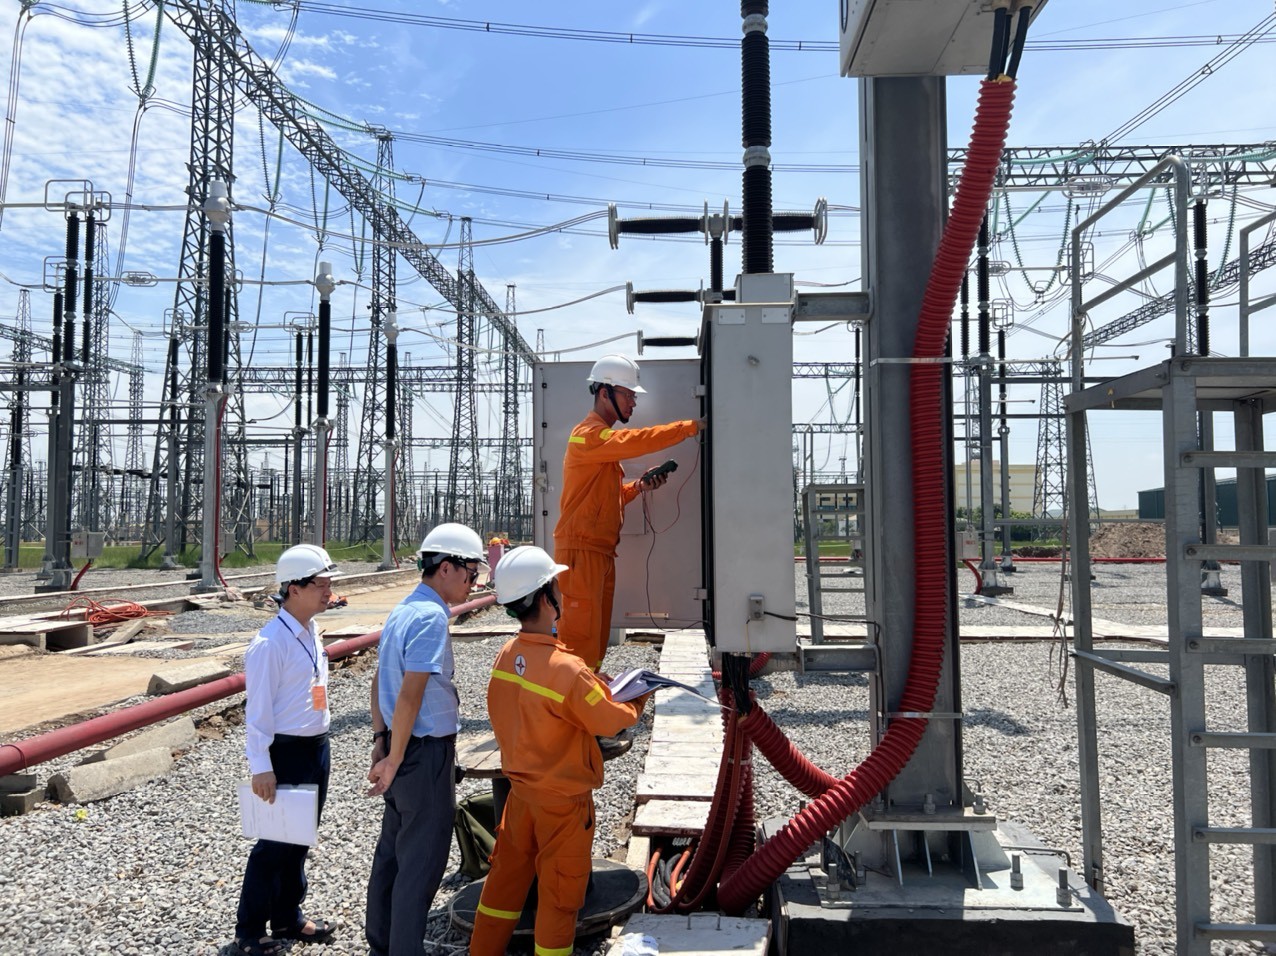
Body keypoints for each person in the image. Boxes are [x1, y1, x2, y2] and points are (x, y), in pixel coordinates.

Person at [467, 546, 651, 956]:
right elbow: (610, 720)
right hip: (562, 805)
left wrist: (590, 684)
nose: (561, 593)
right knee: (559, 896)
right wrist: (638, 697)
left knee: (505, 884)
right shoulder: (566, 669)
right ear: (546, 599)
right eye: (556, 586)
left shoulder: (506, 655)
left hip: (521, 797)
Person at [365, 522, 485, 956]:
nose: (474, 583)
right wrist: (394, 758)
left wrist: (382, 740)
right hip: (423, 755)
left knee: (393, 856)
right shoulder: (432, 616)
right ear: (448, 568)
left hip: (401, 747)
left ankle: (382, 942)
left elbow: (381, 680)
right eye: (472, 573)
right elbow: (411, 690)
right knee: (421, 863)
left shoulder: (403, 609)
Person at [554, 353, 701, 670]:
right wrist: (687, 428)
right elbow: (634, 440)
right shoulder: (587, 435)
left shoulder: (601, 444)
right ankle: (572, 708)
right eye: (629, 394)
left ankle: (589, 700)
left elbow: (606, 498)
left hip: (599, 551)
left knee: (595, 637)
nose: (634, 403)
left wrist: (638, 487)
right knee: (579, 639)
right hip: (582, 551)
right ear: (604, 392)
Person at [232, 544, 342, 956]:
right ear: (293, 589)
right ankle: (249, 931)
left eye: (329, 583)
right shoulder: (269, 644)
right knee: (274, 843)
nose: (328, 591)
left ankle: (286, 917)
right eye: (321, 584)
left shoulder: (310, 630)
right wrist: (261, 767)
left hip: (316, 746)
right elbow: (257, 712)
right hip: (287, 750)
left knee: (300, 838)